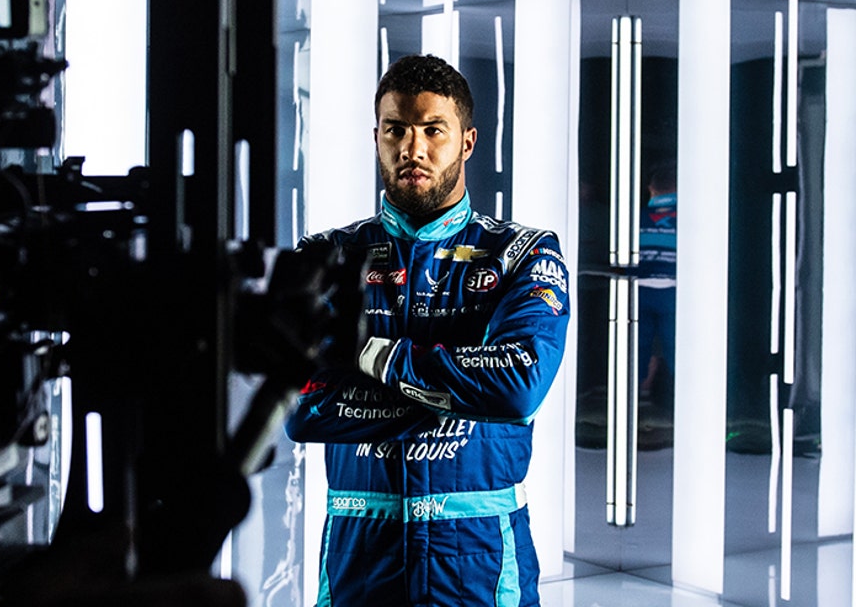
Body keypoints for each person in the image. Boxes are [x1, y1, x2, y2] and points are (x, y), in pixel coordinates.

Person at [284, 54, 570, 607]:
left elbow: (517, 386)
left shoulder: (523, 253)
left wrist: (366, 357)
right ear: (377, 138)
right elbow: (302, 409)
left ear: (466, 142)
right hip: (360, 564)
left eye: (433, 130)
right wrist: (461, 390)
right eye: (397, 130)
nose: (412, 149)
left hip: (482, 568)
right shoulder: (325, 256)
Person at [636, 160, 676, 406]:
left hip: (638, 291)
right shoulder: (689, 219)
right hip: (673, 293)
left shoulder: (636, 219)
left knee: (637, 346)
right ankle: (679, 395)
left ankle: (636, 393)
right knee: (676, 346)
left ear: (651, 189)